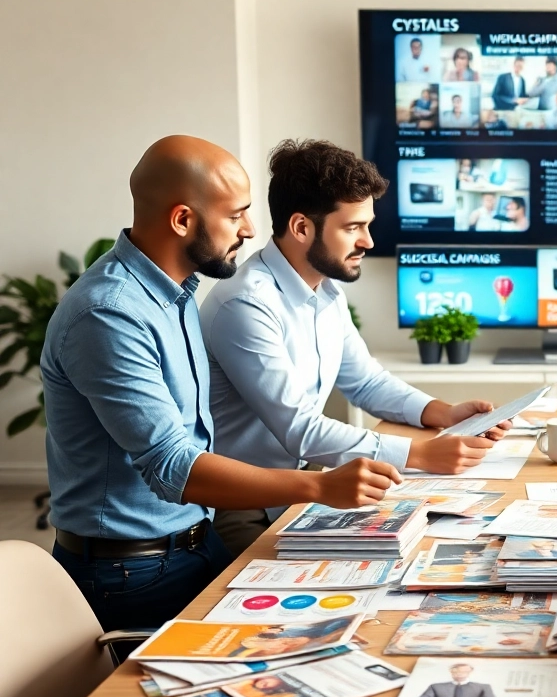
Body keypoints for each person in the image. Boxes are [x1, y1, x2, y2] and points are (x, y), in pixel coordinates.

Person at [42, 136, 403, 632]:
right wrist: (318, 485)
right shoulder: (109, 313)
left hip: (193, 540)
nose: (251, 230)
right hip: (131, 571)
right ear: (183, 220)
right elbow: (174, 467)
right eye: (236, 215)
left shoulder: (177, 293)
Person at [201, 140, 508, 556]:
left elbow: (365, 381)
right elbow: (300, 429)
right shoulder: (246, 304)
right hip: (245, 506)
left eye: (367, 225)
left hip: (305, 486)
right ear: (301, 227)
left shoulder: (325, 290)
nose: (368, 242)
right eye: (352, 228)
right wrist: (423, 454)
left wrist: (445, 414)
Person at [417, 662, 497, 697]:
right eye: (456, 672)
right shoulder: (436, 687)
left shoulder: (482, 687)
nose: (459, 674)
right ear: (451, 672)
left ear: (470, 672)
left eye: (464, 672)